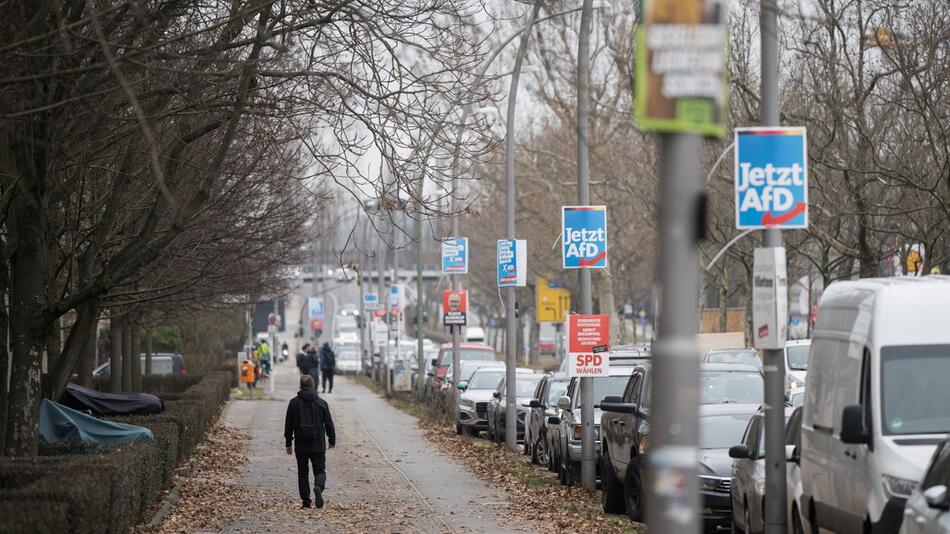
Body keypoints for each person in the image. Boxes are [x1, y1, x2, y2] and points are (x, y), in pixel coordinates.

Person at [284, 375, 335, 509]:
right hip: (318, 444)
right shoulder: (322, 403)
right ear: (313, 386)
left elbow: (288, 424)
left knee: (302, 472)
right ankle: (318, 486)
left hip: (301, 445)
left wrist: (288, 443)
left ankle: (306, 502)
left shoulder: (293, 403)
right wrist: (332, 439)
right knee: (320, 471)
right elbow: (329, 423)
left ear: (300, 386)